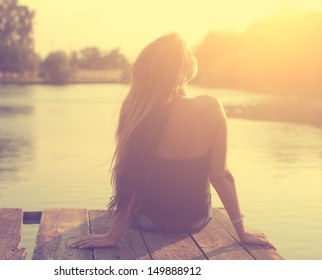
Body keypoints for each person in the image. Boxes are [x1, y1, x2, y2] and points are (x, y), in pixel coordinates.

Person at [69, 33, 275, 249]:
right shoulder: (211, 107)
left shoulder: (135, 109)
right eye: (191, 53)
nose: (196, 56)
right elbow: (221, 176)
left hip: (148, 219)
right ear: (182, 69)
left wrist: (113, 236)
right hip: (194, 220)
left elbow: (130, 177)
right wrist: (243, 232)